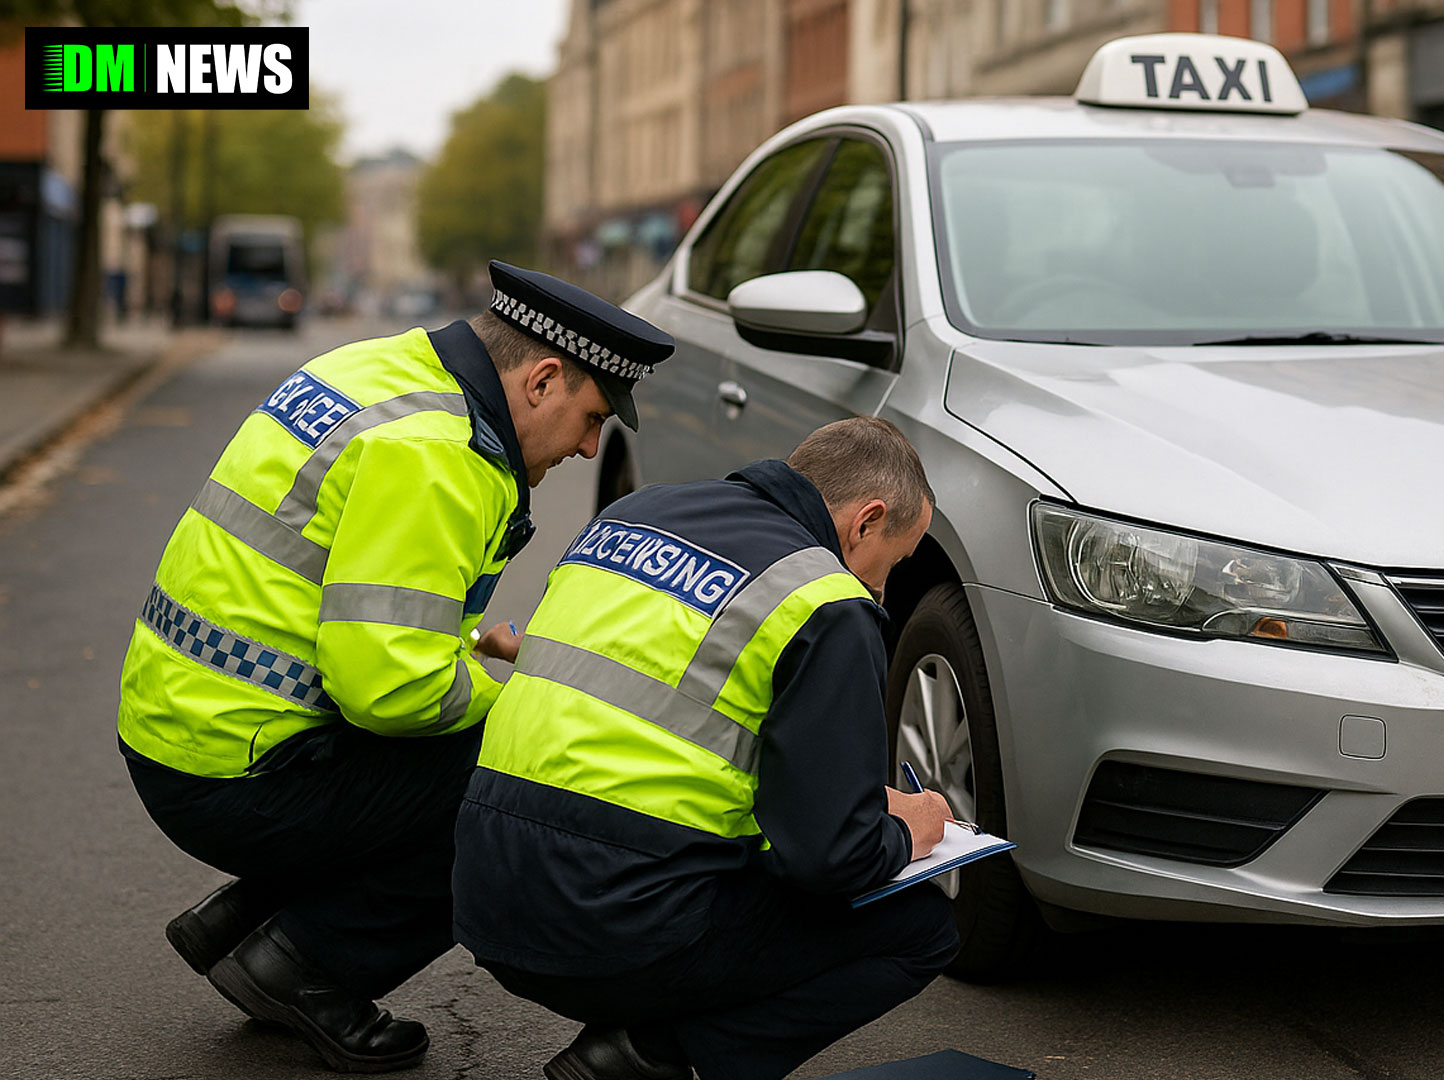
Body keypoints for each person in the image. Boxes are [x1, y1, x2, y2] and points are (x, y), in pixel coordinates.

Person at [117, 260, 673, 1072]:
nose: (592, 447)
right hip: (237, 771)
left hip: (177, 726)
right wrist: (524, 693)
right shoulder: (439, 453)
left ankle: (244, 921)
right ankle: (307, 964)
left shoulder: (369, 369)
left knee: (458, 745)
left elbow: (355, 615)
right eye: (592, 417)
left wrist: (475, 651)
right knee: (524, 776)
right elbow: (391, 692)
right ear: (544, 379)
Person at [452, 417, 960, 1080]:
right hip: (616, 928)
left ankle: (639, 1045)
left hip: (485, 898)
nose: (883, 587)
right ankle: (654, 1054)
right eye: (891, 563)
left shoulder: (633, 514)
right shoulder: (826, 600)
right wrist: (910, 828)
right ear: (864, 523)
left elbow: (671, 734)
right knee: (922, 928)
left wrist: (852, 798)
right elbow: (832, 859)